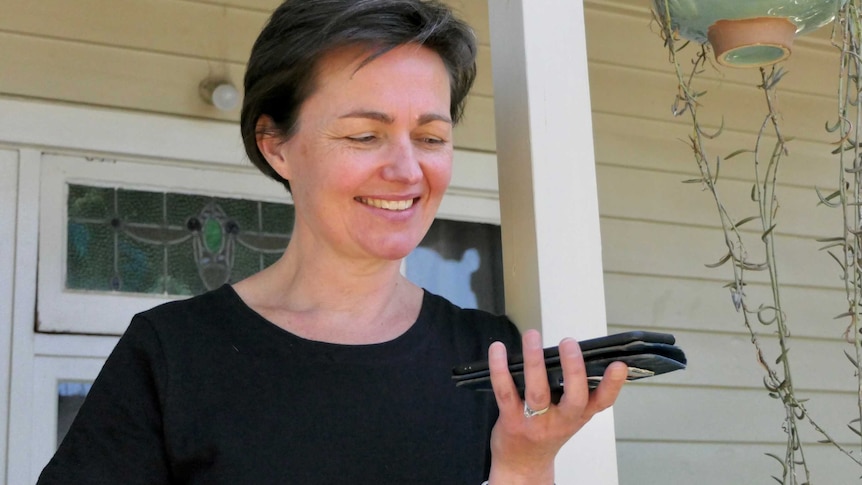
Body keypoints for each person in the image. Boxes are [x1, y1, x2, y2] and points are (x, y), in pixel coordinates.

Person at [37, 0, 628, 483]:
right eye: (364, 135)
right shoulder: (174, 354)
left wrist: (522, 469)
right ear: (276, 145)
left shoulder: (492, 360)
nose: (406, 170)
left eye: (430, 136)